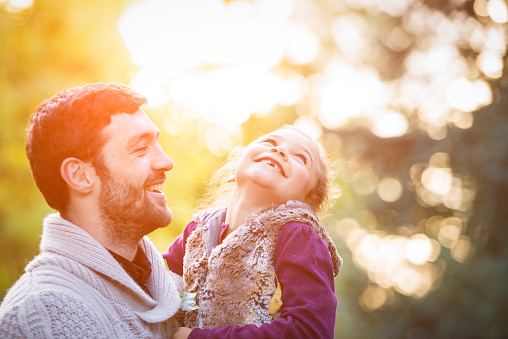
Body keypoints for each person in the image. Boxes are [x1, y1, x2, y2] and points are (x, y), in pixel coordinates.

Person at [0, 83, 182, 338]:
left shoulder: (165, 287)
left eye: (157, 144)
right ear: (80, 175)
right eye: (140, 148)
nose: (166, 162)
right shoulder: (45, 313)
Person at [164, 125, 343, 338]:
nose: (280, 151)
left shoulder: (298, 236)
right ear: (234, 170)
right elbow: (153, 283)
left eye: (301, 158)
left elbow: (310, 331)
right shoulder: (197, 231)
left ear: (307, 203)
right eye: (270, 143)